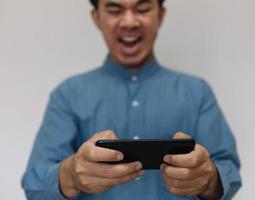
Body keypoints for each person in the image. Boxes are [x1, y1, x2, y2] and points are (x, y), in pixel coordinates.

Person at [21, 0, 241, 199]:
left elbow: (228, 172)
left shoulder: (198, 91)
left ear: (161, 15)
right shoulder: (67, 94)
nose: (129, 21)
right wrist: (69, 175)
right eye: (115, 9)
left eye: (143, 9)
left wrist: (210, 178)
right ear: (96, 17)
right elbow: (34, 183)